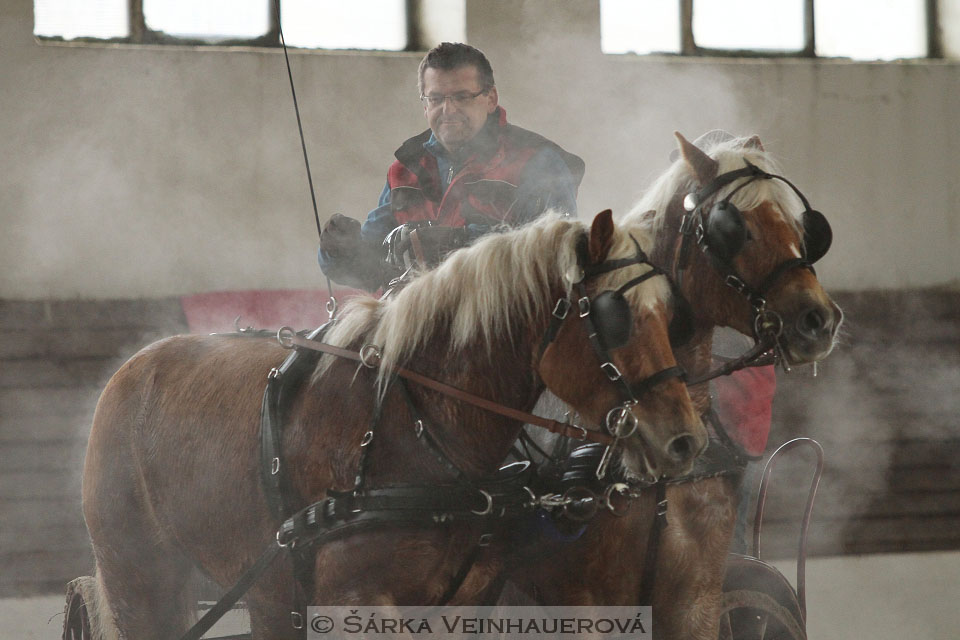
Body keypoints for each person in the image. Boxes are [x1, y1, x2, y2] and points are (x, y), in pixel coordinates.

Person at [318, 42, 585, 291]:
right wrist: (341, 250)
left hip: (503, 328)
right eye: (436, 99)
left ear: (491, 99)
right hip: (413, 326)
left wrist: (458, 244)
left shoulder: (537, 162)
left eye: (461, 97)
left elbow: (556, 257)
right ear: (424, 105)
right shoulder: (403, 171)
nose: (448, 109)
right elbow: (371, 271)